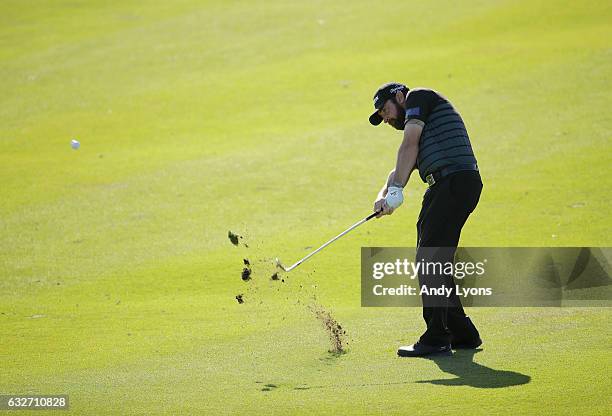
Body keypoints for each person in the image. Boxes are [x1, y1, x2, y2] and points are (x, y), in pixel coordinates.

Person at [369, 82, 483, 357]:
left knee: (430, 259)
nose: (386, 119)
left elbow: (407, 146)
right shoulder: (425, 129)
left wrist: (397, 190)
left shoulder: (418, 98)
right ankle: (462, 333)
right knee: (434, 259)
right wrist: (384, 194)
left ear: (399, 97)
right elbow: (402, 165)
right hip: (446, 187)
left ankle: (436, 338)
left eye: (386, 110)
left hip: (453, 182)